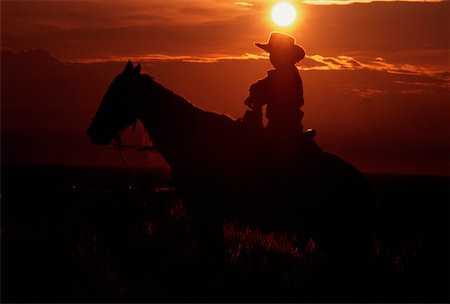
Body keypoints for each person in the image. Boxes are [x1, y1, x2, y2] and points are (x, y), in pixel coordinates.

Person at [244, 32, 306, 142]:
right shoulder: (286, 73)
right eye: (271, 53)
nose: (272, 57)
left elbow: (264, 87)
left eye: (276, 53)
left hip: (282, 129)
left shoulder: (285, 75)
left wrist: (255, 92)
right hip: (285, 127)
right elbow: (263, 86)